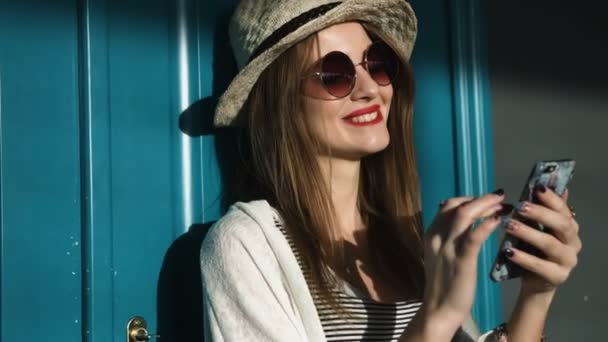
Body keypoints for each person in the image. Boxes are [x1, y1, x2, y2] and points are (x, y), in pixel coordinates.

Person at [200, 0, 582, 341]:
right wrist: (435, 317)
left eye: (376, 65)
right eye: (334, 74)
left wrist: (537, 293)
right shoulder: (246, 245)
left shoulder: (408, 243)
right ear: (279, 104)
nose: (369, 89)